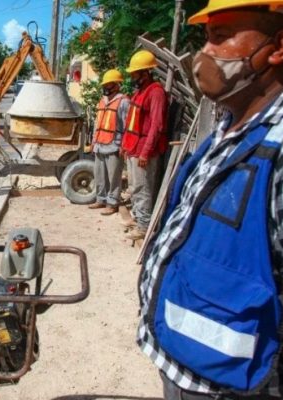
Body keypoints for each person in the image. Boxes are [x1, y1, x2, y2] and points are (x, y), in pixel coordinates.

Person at [137, 1, 283, 399]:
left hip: (231, 385)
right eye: (207, 38)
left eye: (222, 37)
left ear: (278, 46)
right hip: (185, 364)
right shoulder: (226, 128)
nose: (206, 53)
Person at [121, 49, 168, 240]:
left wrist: (145, 152)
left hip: (143, 152)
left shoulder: (156, 93)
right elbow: (132, 123)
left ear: (145, 73)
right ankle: (139, 219)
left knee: (143, 189)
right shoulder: (139, 92)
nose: (132, 76)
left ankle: (144, 226)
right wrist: (125, 145)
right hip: (133, 148)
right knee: (135, 186)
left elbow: (156, 126)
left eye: (134, 73)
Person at [88, 69, 130, 216]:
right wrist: (93, 141)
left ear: (117, 85)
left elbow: (127, 126)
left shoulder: (123, 102)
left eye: (109, 84)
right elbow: (97, 123)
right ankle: (101, 199)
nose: (105, 87)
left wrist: (124, 146)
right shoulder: (102, 101)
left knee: (114, 177)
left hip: (114, 145)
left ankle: (112, 203)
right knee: (99, 175)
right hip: (100, 144)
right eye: (104, 84)